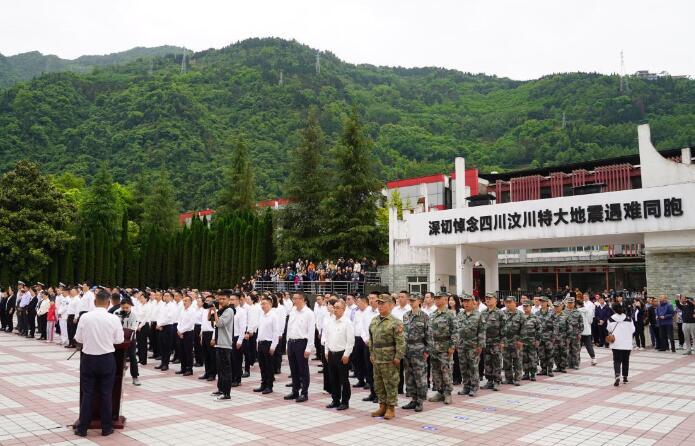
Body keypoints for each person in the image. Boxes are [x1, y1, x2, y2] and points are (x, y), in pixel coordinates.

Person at [73, 289, 124, 437]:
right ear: (108, 303)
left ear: (95, 302)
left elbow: (79, 339)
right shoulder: (113, 318)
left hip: (89, 359)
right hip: (107, 359)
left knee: (88, 394)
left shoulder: (85, 317)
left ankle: (83, 428)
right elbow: (119, 340)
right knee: (106, 394)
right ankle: (106, 428)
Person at [369, 294, 405, 420]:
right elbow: (371, 340)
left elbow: (401, 341)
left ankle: (391, 408)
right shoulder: (374, 320)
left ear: (391, 305)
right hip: (377, 358)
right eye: (379, 303)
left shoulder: (396, 322)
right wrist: (371, 354)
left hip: (389, 359)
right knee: (378, 384)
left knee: (390, 383)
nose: (380, 306)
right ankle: (382, 406)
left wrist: (398, 357)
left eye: (383, 303)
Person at [401, 293, 431, 412]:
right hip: (407, 350)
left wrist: (427, 350)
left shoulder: (424, 316)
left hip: (419, 350)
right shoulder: (406, 316)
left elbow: (429, 334)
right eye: (410, 300)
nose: (412, 302)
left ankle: (420, 401)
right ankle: (413, 399)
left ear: (419, 301)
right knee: (409, 377)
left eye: (414, 300)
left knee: (420, 377)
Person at [284, 292, 315, 403]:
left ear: (302, 299)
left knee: (303, 369)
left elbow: (311, 332)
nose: (293, 300)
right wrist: (287, 343)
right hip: (292, 342)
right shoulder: (293, 311)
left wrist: (308, 348)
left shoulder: (309, 313)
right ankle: (295, 391)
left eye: (295, 298)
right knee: (293, 369)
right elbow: (289, 328)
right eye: (293, 298)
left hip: (302, 343)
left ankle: (304, 393)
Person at [428, 292, 459, 405]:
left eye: (438, 299)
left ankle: (448, 393)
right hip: (434, 348)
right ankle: (440, 392)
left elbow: (455, 331)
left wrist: (452, 346)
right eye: (435, 299)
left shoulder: (450, 314)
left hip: (445, 348)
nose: (436, 301)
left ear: (445, 300)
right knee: (435, 372)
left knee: (446, 371)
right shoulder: (432, 314)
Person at [325, 299, 355, 410]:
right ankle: (335, 400)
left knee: (343, 379)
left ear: (344, 309)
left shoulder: (347, 323)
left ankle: (345, 402)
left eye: (338, 308)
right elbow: (327, 338)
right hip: (331, 353)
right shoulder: (330, 321)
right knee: (333, 379)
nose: (335, 309)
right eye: (334, 307)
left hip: (342, 354)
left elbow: (350, 341)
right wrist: (326, 351)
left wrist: (347, 354)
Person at [457, 295, 485, 397]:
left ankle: (474, 387)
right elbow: (456, 330)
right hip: (461, 345)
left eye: (468, 301)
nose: (466, 303)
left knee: (473, 367)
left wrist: (480, 346)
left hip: (473, 346)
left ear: (473, 302)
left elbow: (482, 331)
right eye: (464, 301)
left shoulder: (478, 315)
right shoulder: (460, 315)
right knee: (463, 367)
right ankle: (466, 387)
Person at [211, 290, 235, 401]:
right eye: (219, 299)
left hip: (225, 344)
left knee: (225, 370)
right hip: (219, 343)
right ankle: (221, 389)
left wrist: (215, 311)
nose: (221, 301)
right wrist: (212, 310)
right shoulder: (222, 310)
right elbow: (211, 320)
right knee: (220, 369)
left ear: (229, 299)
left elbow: (219, 323)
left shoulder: (229, 310)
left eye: (223, 299)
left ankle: (227, 393)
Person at [255, 296, 281, 394]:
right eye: (261, 304)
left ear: (270, 304)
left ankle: (269, 386)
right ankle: (263, 384)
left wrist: (273, 346)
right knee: (262, 366)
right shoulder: (262, 315)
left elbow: (276, 332)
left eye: (264, 303)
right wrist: (257, 341)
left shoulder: (274, 316)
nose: (262, 306)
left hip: (268, 343)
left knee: (269, 366)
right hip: (261, 343)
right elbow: (260, 330)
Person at [607, 302, 635, 386]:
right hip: (627, 343)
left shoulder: (611, 319)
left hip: (616, 343)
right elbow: (633, 330)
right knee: (626, 360)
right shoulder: (629, 318)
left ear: (613, 309)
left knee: (617, 360)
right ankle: (625, 378)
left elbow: (609, 329)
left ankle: (617, 376)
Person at [114, 297, 140, 386]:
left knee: (132, 357)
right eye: (123, 307)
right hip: (118, 339)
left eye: (127, 307)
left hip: (130, 339)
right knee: (118, 357)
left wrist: (124, 330)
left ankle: (135, 376)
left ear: (131, 306)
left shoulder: (134, 314)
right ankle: (116, 376)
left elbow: (133, 328)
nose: (125, 309)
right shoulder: (116, 312)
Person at [482, 293, 504, 391]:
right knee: (487, 362)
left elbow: (504, 328)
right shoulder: (483, 313)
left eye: (490, 299)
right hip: (485, 342)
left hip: (496, 342)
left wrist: (502, 341)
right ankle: (489, 381)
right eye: (486, 299)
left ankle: (497, 381)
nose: (488, 300)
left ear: (495, 300)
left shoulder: (500, 313)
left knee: (496, 361)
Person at [502, 297, 524, 385]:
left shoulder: (520, 314)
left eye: (510, 302)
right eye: (506, 302)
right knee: (506, 361)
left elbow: (524, 328)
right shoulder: (502, 313)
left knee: (517, 361)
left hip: (516, 342)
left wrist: (521, 340)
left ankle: (517, 378)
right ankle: (508, 378)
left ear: (515, 303)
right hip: (505, 342)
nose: (508, 304)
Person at [176, 296, 197, 376]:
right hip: (180, 332)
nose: (184, 302)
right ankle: (183, 368)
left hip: (188, 333)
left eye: (186, 301)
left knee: (188, 352)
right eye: (184, 301)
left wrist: (181, 331)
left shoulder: (192, 311)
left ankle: (189, 369)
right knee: (181, 351)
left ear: (190, 302)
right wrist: (179, 330)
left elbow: (191, 324)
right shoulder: (182, 310)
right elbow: (179, 321)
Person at [520, 301, 541, 381]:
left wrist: (537, 340)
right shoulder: (521, 317)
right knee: (524, 358)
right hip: (522, 342)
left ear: (531, 307)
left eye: (527, 306)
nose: (525, 308)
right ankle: (526, 373)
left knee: (532, 358)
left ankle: (532, 374)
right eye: (524, 306)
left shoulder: (535, 317)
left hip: (532, 342)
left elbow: (539, 329)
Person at [536, 297, 557, 376]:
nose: (542, 303)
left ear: (547, 303)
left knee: (550, 354)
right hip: (540, 338)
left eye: (544, 302)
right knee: (541, 355)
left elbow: (556, 325)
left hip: (549, 338)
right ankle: (543, 369)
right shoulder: (537, 313)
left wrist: (554, 336)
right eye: (541, 302)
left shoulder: (552, 312)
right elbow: (536, 326)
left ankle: (550, 370)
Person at [199, 295, 217, 381]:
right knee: (206, 355)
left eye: (210, 300)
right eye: (206, 300)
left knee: (212, 355)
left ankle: (212, 374)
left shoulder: (215, 311)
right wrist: (201, 335)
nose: (207, 302)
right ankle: (207, 372)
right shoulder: (204, 310)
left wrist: (213, 338)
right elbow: (203, 324)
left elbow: (215, 326)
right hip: (205, 333)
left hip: (211, 334)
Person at [576, 295, 598, 366]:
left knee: (578, 347)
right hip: (587, 331)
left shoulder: (576, 312)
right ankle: (593, 358)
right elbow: (590, 321)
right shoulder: (588, 310)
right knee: (589, 346)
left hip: (579, 332)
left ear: (578, 305)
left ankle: (577, 361)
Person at [564, 297, 584, 369]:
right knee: (567, 350)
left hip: (575, 334)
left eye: (571, 303)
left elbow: (581, 324)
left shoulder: (578, 312)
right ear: (566, 303)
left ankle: (576, 364)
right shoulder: (563, 312)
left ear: (574, 303)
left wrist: (580, 333)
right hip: (566, 334)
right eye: (569, 303)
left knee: (576, 350)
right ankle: (568, 364)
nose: (570, 304)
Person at [553, 301, 569, 373]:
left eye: (557, 306)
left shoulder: (565, 316)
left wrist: (568, 337)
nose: (556, 308)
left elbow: (569, 327)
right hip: (554, 338)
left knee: (563, 352)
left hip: (563, 338)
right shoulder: (552, 315)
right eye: (555, 307)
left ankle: (563, 367)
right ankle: (558, 366)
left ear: (561, 307)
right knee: (556, 353)